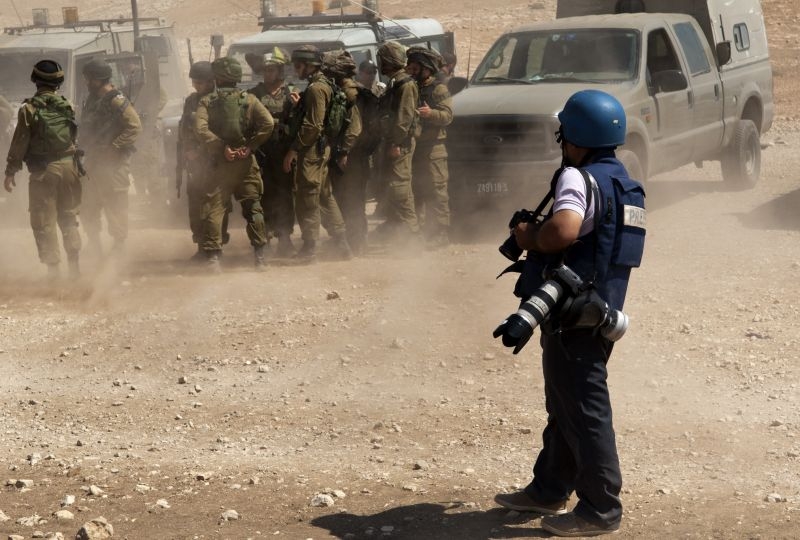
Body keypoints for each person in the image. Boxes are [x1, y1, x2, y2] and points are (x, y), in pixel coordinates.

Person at [493, 90, 646, 537]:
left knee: (583, 407)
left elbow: (563, 230)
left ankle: (600, 510)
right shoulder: (622, 180)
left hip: (570, 310)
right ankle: (549, 489)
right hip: (598, 310)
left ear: (573, 137)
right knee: (566, 403)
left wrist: (527, 237)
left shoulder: (577, 178)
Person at [3, 60, 83, 279]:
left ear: (35, 81)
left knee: (43, 221)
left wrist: (11, 170)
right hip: (69, 167)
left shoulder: (28, 109)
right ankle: (75, 267)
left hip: (43, 172)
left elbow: (20, 142)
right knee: (68, 217)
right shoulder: (68, 105)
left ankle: (54, 272)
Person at [195, 57, 274, 272]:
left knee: (215, 208)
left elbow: (200, 129)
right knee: (253, 208)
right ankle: (259, 258)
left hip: (219, 164)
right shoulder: (249, 100)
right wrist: (250, 146)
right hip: (245, 162)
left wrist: (222, 148)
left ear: (219, 78)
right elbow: (268, 123)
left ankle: (213, 259)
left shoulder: (207, 101)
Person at [283, 44, 347, 263]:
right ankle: (341, 244)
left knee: (308, 197)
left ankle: (310, 248)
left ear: (310, 65)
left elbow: (312, 126)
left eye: (298, 65)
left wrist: (294, 149)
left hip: (311, 150)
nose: (296, 69)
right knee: (323, 195)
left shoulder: (316, 88)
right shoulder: (321, 86)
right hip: (319, 148)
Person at [79, 58, 142, 256]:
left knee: (115, 204)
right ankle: (94, 243)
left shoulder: (116, 99)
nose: (87, 82)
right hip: (93, 160)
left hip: (113, 163)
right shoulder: (92, 99)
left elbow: (134, 126)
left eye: (89, 79)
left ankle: (119, 245)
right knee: (88, 203)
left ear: (98, 79)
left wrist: (114, 147)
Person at [247, 48, 297, 257]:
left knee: (285, 195)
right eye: (265, 70)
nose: (268, 74)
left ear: (280, 71)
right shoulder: (254, 94)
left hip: (283, 152)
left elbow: (298, 123)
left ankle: (285, 237)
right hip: (262, 153)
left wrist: (297, 106)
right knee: (263, 194)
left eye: (272, 70)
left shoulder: (290, 93)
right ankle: (265, 236)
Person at [178, 60, 230, 261]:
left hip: (214, 161)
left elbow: (220, 132)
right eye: (194, 82)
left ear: (211, 81)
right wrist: (186, 151)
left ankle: (215, 248)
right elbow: (185, 130)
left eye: (200, 82)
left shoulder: (219, 101)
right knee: (196, 205)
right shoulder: (191, 101)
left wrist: (200, 150)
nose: (196, 86)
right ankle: (201, 245)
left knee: (215, 206)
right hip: (194, 164)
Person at [406, 46, 453, 248]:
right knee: (418, 190)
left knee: (437, 191)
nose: (412, 72)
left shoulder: (439, 89)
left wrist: (430, 114)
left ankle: (441, 233)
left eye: (416, 68)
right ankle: (422, 230)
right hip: (416, 147)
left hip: (434, 149)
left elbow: (448, 116)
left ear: (426, 68)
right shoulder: (411, 87)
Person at [374, 41, 420, 241]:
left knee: (400, 189)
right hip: (393, 142)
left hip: (400, 145)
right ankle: (399, 232)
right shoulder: (395, 83)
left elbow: (404, 118)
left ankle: (412, 235)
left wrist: (397, 144)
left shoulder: (406, 84)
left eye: (383, 60)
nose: (380, 65)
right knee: (393, 188)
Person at [321, 49, 364, 257]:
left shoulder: (349, 93)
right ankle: (352, 240)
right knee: (347, 197)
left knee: (348, 198)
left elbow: (354, 127)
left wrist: (344, 151)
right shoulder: (350, 89)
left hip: (349, 154)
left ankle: (352, 242)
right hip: (350, 153)